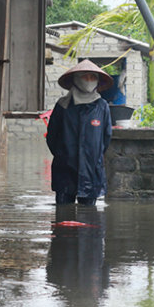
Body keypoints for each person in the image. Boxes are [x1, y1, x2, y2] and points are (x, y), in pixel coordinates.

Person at [46, 59, 114, 205]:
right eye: (85, 77)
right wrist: (62, 154)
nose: (89, 81)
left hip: (91, 169)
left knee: (89, 218)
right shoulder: (62, 105)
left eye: (92, 77)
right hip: (65, 168)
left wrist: (94, 156)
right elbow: (51, 136)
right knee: (63, 214)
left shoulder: (101, 106)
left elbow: (106, 138)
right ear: (76, 80)